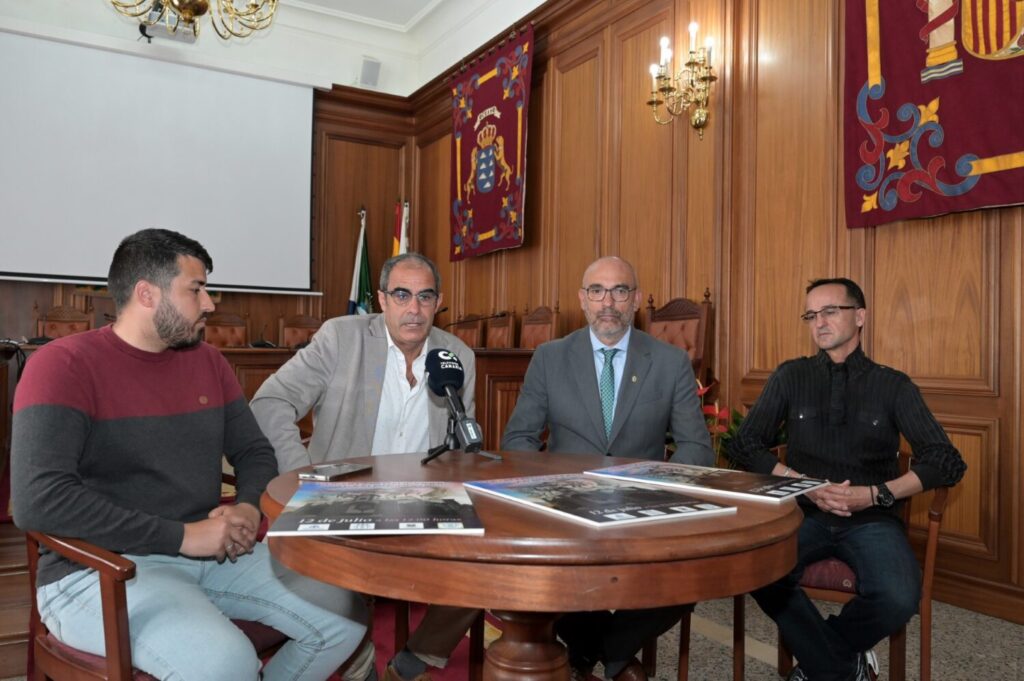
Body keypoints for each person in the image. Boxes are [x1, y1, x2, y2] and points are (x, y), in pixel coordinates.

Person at [11, 228, 373, 681]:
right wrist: (182, 537)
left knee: (345, 615)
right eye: (196, 289)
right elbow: (38, 501)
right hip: (96, 569)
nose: (209, 304)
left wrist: (247, 507)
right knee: (226, 663)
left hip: (209, 553)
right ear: (147, 294)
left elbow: (254, 451)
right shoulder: (62, 365)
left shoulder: (207, 362)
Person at [251, 252, 479, 681]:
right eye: (402, 295)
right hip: (344, 499)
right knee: (336, 593)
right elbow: (270, 402)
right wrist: (301, 475)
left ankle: (415, 660)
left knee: (486, 566)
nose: (414, 309)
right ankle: (358, 664)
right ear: (382, 299)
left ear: (438, 302)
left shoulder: (457, 355)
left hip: (425, 502)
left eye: (425, 297)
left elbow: (459, 447)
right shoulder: (342, 339)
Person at [727, 277, 967, 681]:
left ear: (860, 317)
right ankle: (843, 666)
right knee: (756, 570)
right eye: (811, 315)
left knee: (899, 596)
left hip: (873, 519)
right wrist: (804, 484)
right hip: (801, 514)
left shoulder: (893, 385)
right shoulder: (790, 376)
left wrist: (875, 494)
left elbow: (946, 461)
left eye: (829, 311)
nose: (818, 322)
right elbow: (744, 444)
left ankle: (822, 662)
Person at [501, 256, 714, 681]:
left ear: (635, 299)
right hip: (566, 511)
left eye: (620, 291)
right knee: (535, 574)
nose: (608, 303)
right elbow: (518, 439)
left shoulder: (670, 362)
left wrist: (654, 490)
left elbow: (697, 449)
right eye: (597, 291)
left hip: (642, 511)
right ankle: (618, 662)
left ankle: (595, 653)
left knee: (691, 576)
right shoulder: (550, 357)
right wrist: (550, 492)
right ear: (583, 299)